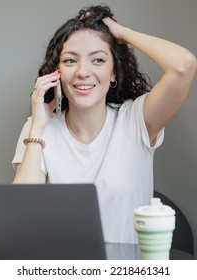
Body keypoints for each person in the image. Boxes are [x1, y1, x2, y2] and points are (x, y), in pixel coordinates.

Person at [12, 5, 196, 243]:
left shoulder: (137, 120)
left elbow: (184, 65)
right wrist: (37, 128)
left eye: (98, 60)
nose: (83, 72)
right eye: (70, 61)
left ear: (114, 73)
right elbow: (21, 213)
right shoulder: (37, 128)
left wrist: (122, 32)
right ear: (56, 73)